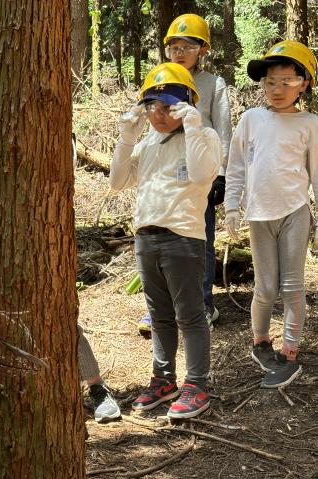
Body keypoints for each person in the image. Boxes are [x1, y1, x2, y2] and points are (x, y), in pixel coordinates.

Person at [0, 118, 121, 423]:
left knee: (60, 314)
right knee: (2, 318)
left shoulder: (51, 124)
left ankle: (96, 387)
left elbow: (61, 173)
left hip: (45, 239)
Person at [110, 62, 221, 418]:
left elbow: (204, 173)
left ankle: (197, 384)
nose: (159, 114)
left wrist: (193, 125)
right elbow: (117, 181)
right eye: (152, 106)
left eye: (168, 106)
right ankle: (164, 379)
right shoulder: (148, 143)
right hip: (146, 236)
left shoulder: (205, 137)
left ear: (187, 103)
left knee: (190, 315)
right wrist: (127, 137)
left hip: (183, 238)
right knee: (159, 316)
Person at [225, 40, 318, 388]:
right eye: (270, 83)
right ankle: (261, 342)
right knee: (264, 288)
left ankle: (289, 354)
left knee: (292, 287)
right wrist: (232, 206)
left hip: (295, 211)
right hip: (259, 214)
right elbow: (235, 166)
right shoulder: (251, 119)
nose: (277, 90)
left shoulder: (310, 124)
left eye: (286, 82)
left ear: (303, 84)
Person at [137, 13, 232, 337]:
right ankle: (159, 309)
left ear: (202, 49)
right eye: (174, 46)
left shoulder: (213, 84)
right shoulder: (161, 80)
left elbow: (223, 130)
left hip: (199, 170)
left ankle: (203, 304)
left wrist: (221, 174)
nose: (180, 51)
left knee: (199, 240)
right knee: (157, 239)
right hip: (164, 172)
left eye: (187, 46)